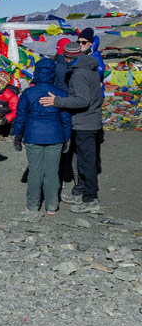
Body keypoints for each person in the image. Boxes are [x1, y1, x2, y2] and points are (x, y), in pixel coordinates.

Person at [40, 41, 104, 213]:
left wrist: (57, 101)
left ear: (68, 58)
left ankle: (91, 199)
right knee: (84, 160)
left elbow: (82, 100)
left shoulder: (79, 75)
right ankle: (80, 192)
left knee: (86, 162)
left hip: (85, 122)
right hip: (89, 120)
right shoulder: (90, 69)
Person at [11, 58, 72, 218]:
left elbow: (21, 116)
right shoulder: (59, 93)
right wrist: (67, 137)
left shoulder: (28, 93)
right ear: (53, 73)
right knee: (52, 171)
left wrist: (17, 135)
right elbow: (66, 118)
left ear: (36, 72)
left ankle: (33, 205)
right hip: (55, 135)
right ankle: (52, 205)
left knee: (35, 171)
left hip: (33, 135)